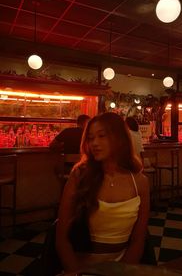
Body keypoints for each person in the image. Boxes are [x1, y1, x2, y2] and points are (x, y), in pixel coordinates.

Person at [56, 112, 150, 274]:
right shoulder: (79, 176)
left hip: (121, 266)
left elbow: (138, 240)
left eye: (101, 136)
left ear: (119, 138)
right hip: (81, 267)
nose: (94, 143)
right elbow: (61, 239)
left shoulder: (140, 182)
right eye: (91, 138)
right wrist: (75, 272)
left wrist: (123, 271)